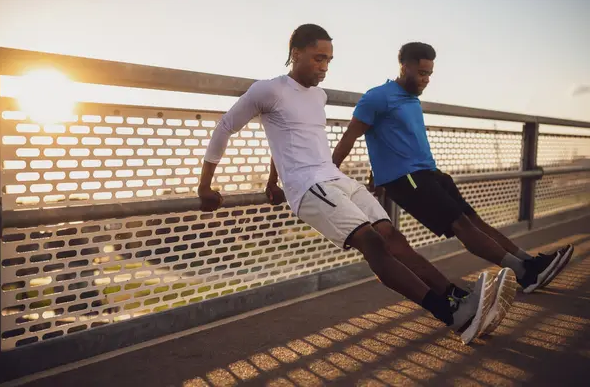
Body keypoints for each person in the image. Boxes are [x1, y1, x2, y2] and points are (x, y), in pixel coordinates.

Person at [198, 24, 512, 344]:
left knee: (393, 237)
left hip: (336, 178)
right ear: (296, 54)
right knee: (372, 243)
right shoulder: (268, 90)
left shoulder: (318, 95)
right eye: (319, 58)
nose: (325, 67)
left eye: (329, 61)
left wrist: (272, 180)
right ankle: (452, 315)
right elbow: (225, 127)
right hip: (309, 187)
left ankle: (460, 298)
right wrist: (204, 187)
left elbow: (289, 140)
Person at [332, 42, 574, 294]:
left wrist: (377, 169)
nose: (426, 79)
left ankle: (529, 262)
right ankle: (525, 274)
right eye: (422, 73)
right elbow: (351, 135)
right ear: (404, 67)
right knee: (461, 225)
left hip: (429, 173)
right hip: (407, 180)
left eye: (430, 74)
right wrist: (330, 173)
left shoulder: (411, 99)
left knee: (473, 220)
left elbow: (391, 139)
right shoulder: (377, 97)